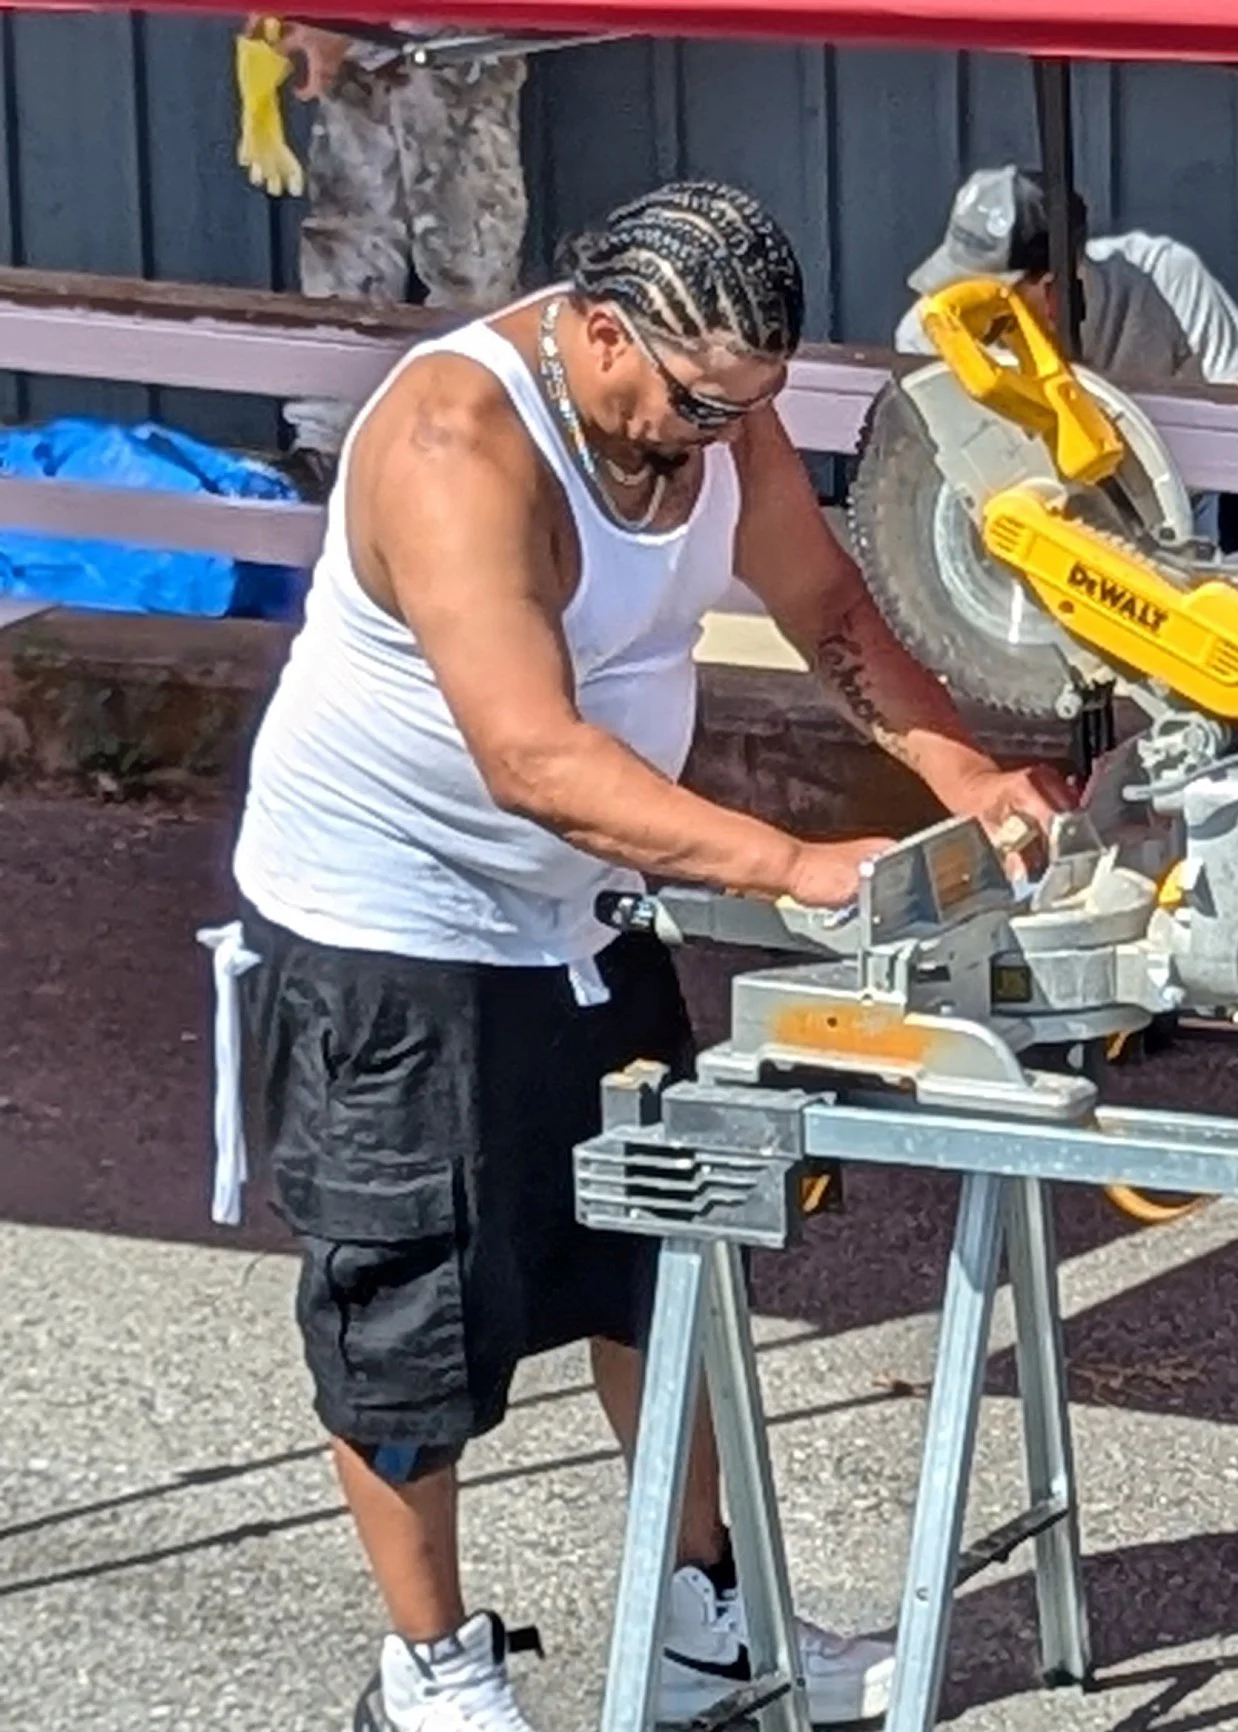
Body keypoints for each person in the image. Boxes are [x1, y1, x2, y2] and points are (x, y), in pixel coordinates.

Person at [223, 178, 1072, 1732]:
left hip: (589, 913)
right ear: (600, 328)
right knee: (409, 1307)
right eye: (694, 404)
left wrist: (964, 774)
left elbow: (822, 603)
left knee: (663, 1262)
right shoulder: (455, 446)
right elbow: (533, 757)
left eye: (748, 408)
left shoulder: (710, 398)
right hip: (390, 924)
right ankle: (431, 1670)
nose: (714, 436)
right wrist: (800, 865)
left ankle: (701, 1619)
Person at [894, 165, 1238, 555]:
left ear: (1053, 288)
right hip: (1036, 520)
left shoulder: (1165, 278)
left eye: (984, 295)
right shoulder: (931, 332)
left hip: (1179, 504)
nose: (964, 305)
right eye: (956, 285)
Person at [255, 16, 529, 500]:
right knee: (348, 230)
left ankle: (458, 440)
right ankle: (326, 448)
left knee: (467, 255)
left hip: (461, 39)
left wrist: (342, 22)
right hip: (361, 42)